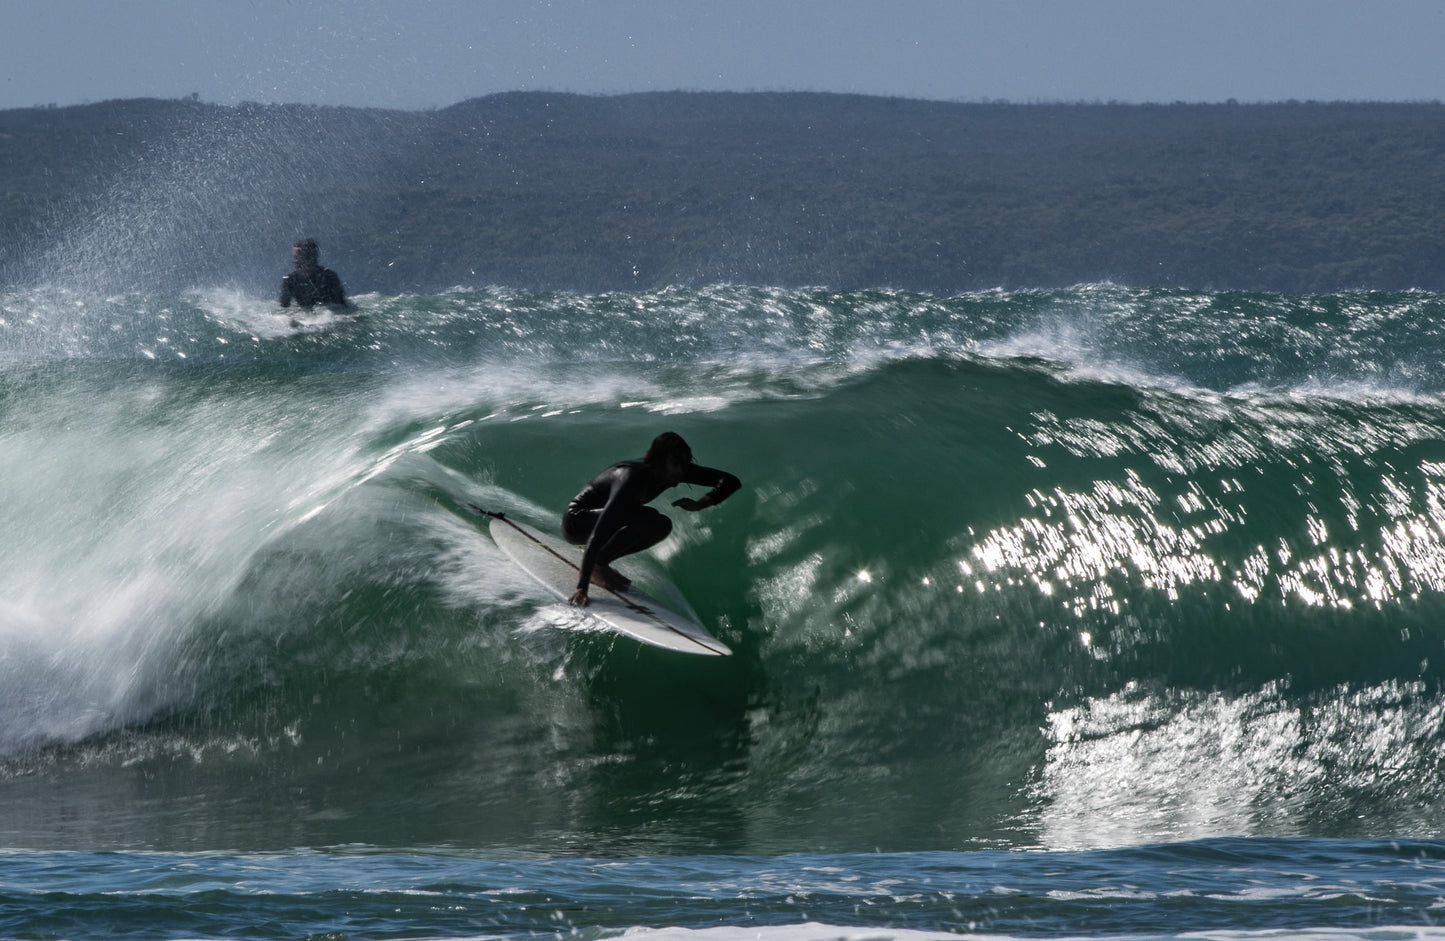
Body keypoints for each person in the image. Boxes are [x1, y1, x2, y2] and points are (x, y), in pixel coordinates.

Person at [563, 432, 740, 607]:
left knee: (662, 525)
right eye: (675, 466)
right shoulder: (631, 476)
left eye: (684, 465)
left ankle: (599, 562)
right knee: (648, 517)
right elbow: (600, 530)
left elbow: (730, 481)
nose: (679, 474)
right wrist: (582, 588)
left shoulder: (675, 470)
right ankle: (596, 567)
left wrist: (700, 504)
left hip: (608, 522)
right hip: (577, 521)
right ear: (658, 461)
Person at [279, 237, 347, 309]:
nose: (294, 261)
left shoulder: (329, 277)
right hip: (305, 317)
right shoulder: (290, 280)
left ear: (311, 258)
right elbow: (284, 309)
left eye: (297, 257)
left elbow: (342, 306)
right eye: (294, 257)